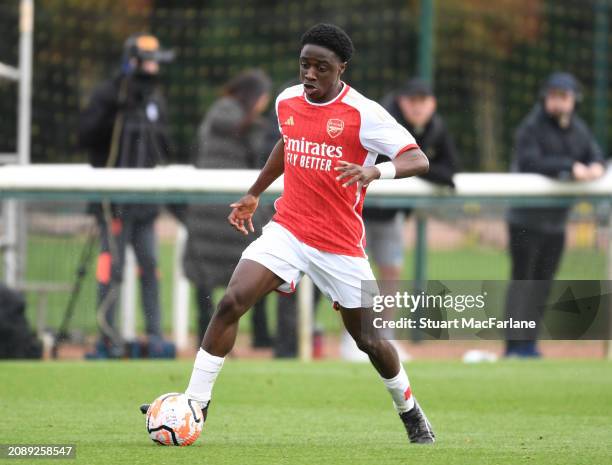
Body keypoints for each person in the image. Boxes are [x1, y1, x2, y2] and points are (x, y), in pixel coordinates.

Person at [141, 23, 435, 443]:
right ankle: (195, 404)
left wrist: (375, 169)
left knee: (370, 340)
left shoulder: (364, 114)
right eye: (304, 65)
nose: (309, 74)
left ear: (341, 69)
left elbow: (417, 158)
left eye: (321, 67)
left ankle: (410, 411)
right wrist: (254, 193)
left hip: (340, 246)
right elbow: (288, 143)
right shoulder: (287, 101)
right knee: (231, 302)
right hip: (288, 229)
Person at [79, 33, 174, 358]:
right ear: (132, 61)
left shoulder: (155, 100)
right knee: (112, 268)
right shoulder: (109, 94)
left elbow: (164, 147)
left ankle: (156, 336)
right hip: (112, 204)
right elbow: (87, 136)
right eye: (148, 61)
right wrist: (114, 111)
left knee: (150, 266)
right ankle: (108, 335)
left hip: (145, 205)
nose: (154, 68)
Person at [352, 78, 459, 359]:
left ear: (433, 104)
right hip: (355, 210)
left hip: (390, 214)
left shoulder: (436, 126)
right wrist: (419, 168)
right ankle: (352, 339)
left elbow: (449, 170)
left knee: (391, 273)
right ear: (402, 101)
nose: (418, 107)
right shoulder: (382, 119)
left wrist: (420, 168)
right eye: (413, 101)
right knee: (354, 275)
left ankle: (384, 338)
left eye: (424, 101)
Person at [504, 71, 606, 357]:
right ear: (545, 98)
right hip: (525, 221)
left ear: (574, 100)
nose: (558, 102)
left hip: (556, 223)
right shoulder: (531, 127)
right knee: (523, 282)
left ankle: (529, 343)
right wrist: (569, 166)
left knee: (543, 284)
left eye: (564, 97)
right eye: (553, 96)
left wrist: (596, 166)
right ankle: (514, 346)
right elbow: (530, 161)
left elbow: (594, 154)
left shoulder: (579, 130)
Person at [182, 69, 272, 344]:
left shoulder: (209, 121)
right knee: (257, 269)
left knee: (205, 279)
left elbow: (196, 157)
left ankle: (204, 337)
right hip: (237, 211)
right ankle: (260, 336)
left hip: (203, 211)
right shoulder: (251, 128)